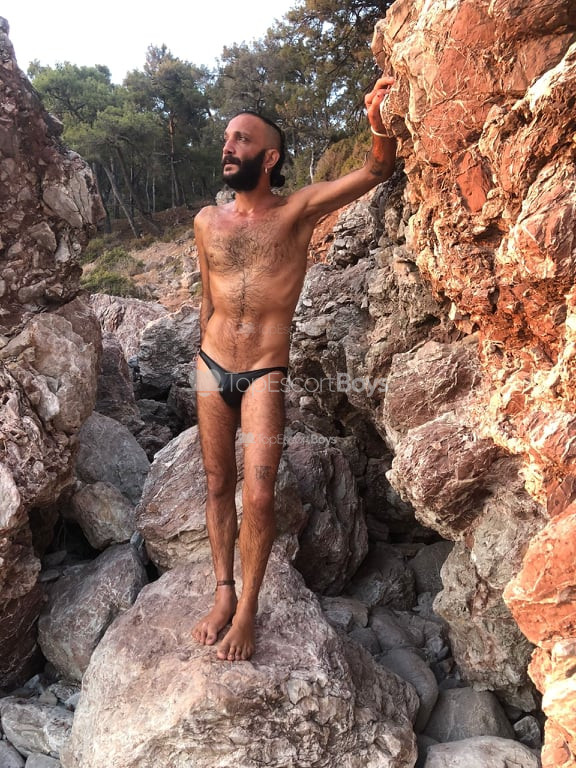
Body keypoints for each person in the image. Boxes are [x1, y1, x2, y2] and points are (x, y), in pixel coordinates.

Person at [192, 77, 396, 661]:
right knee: (216, 485)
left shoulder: (297, 211)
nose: (229, 145)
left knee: (258, 496)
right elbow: (207, 298)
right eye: (227, 137)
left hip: (263, 373)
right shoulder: (207, 220)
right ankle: (224, 593)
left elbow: (376, 171)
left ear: (269, 157)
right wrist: (198, 357)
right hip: (209, 367)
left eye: (242, 138)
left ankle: (248, 613)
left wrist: (377, 122)